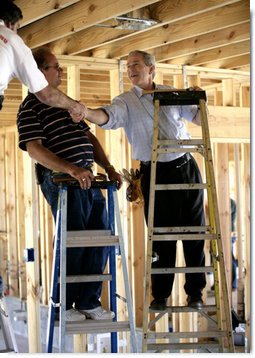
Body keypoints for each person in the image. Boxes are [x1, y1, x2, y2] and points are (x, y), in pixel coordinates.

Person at [83, 50, 207, 310]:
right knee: (160, 236)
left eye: (135, 65)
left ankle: (195, 293)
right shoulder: (125, 101)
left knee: (194, 232)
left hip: (185, 168)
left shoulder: (171, 92)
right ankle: (160, 296)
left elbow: (196, 118)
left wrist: (199, 98)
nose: (130, 70)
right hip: (153, 172)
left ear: (152, 69)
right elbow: (107, 117)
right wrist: (85, 112)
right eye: (127, 67)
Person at [17, 47, 122, 321]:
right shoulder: (30, 106)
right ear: (40, 71)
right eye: (55, 66)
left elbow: (89, 139)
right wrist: (71, 169)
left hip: (86, 177)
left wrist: (108, 167)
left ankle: (88, 301)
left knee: (100, 237)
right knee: (73, 240)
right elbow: (34, 150)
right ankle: (63, 307)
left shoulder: (66, 104)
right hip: (63, 180)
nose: (60, 70)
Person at [0, 1, 85, 120]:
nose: (16, 33)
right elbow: (47, 95)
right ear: (10, 24)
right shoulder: (12, 39)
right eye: (17, 28)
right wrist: (76, 107)